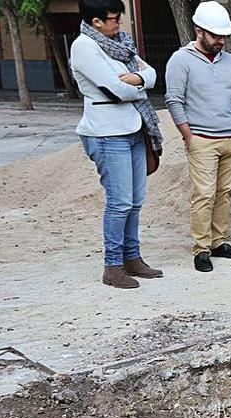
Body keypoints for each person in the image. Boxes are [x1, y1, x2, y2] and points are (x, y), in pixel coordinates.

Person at [71, 0, 165, 289]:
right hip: (107, 132)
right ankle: (112, 266)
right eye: (113, 19)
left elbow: (151, 73)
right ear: (96, 21)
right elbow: (117, 89)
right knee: (120, 201)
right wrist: (138, 82)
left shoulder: (121, 42)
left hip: (134, 127)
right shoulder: (84, 46)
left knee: (135, 200)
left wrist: (137, 77)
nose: (119, 24)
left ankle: (132, 257)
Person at [165, 1, 231, 273]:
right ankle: (201, 248)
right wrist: (188, 135)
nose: (221, 40)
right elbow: (174, 100)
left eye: (224, 35)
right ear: (199, 30)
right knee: (204, 194)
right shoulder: (181, 60)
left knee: (225, 192)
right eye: (215, 35)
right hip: (201, 138)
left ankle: (219, 241)